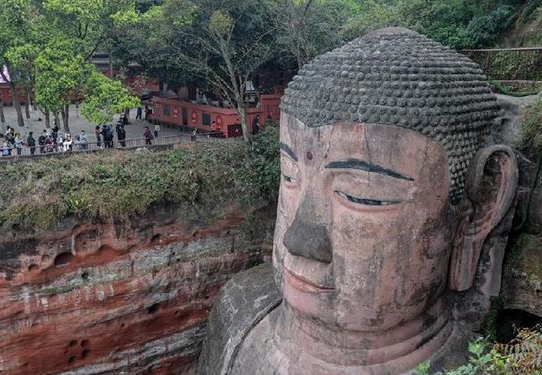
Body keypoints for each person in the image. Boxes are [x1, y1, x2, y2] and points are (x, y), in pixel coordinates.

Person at [198, 28, 519, 375]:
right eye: (289, 176)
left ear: (478, 210)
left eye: (359, 195)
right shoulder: (238, 312)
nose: (299, 240)